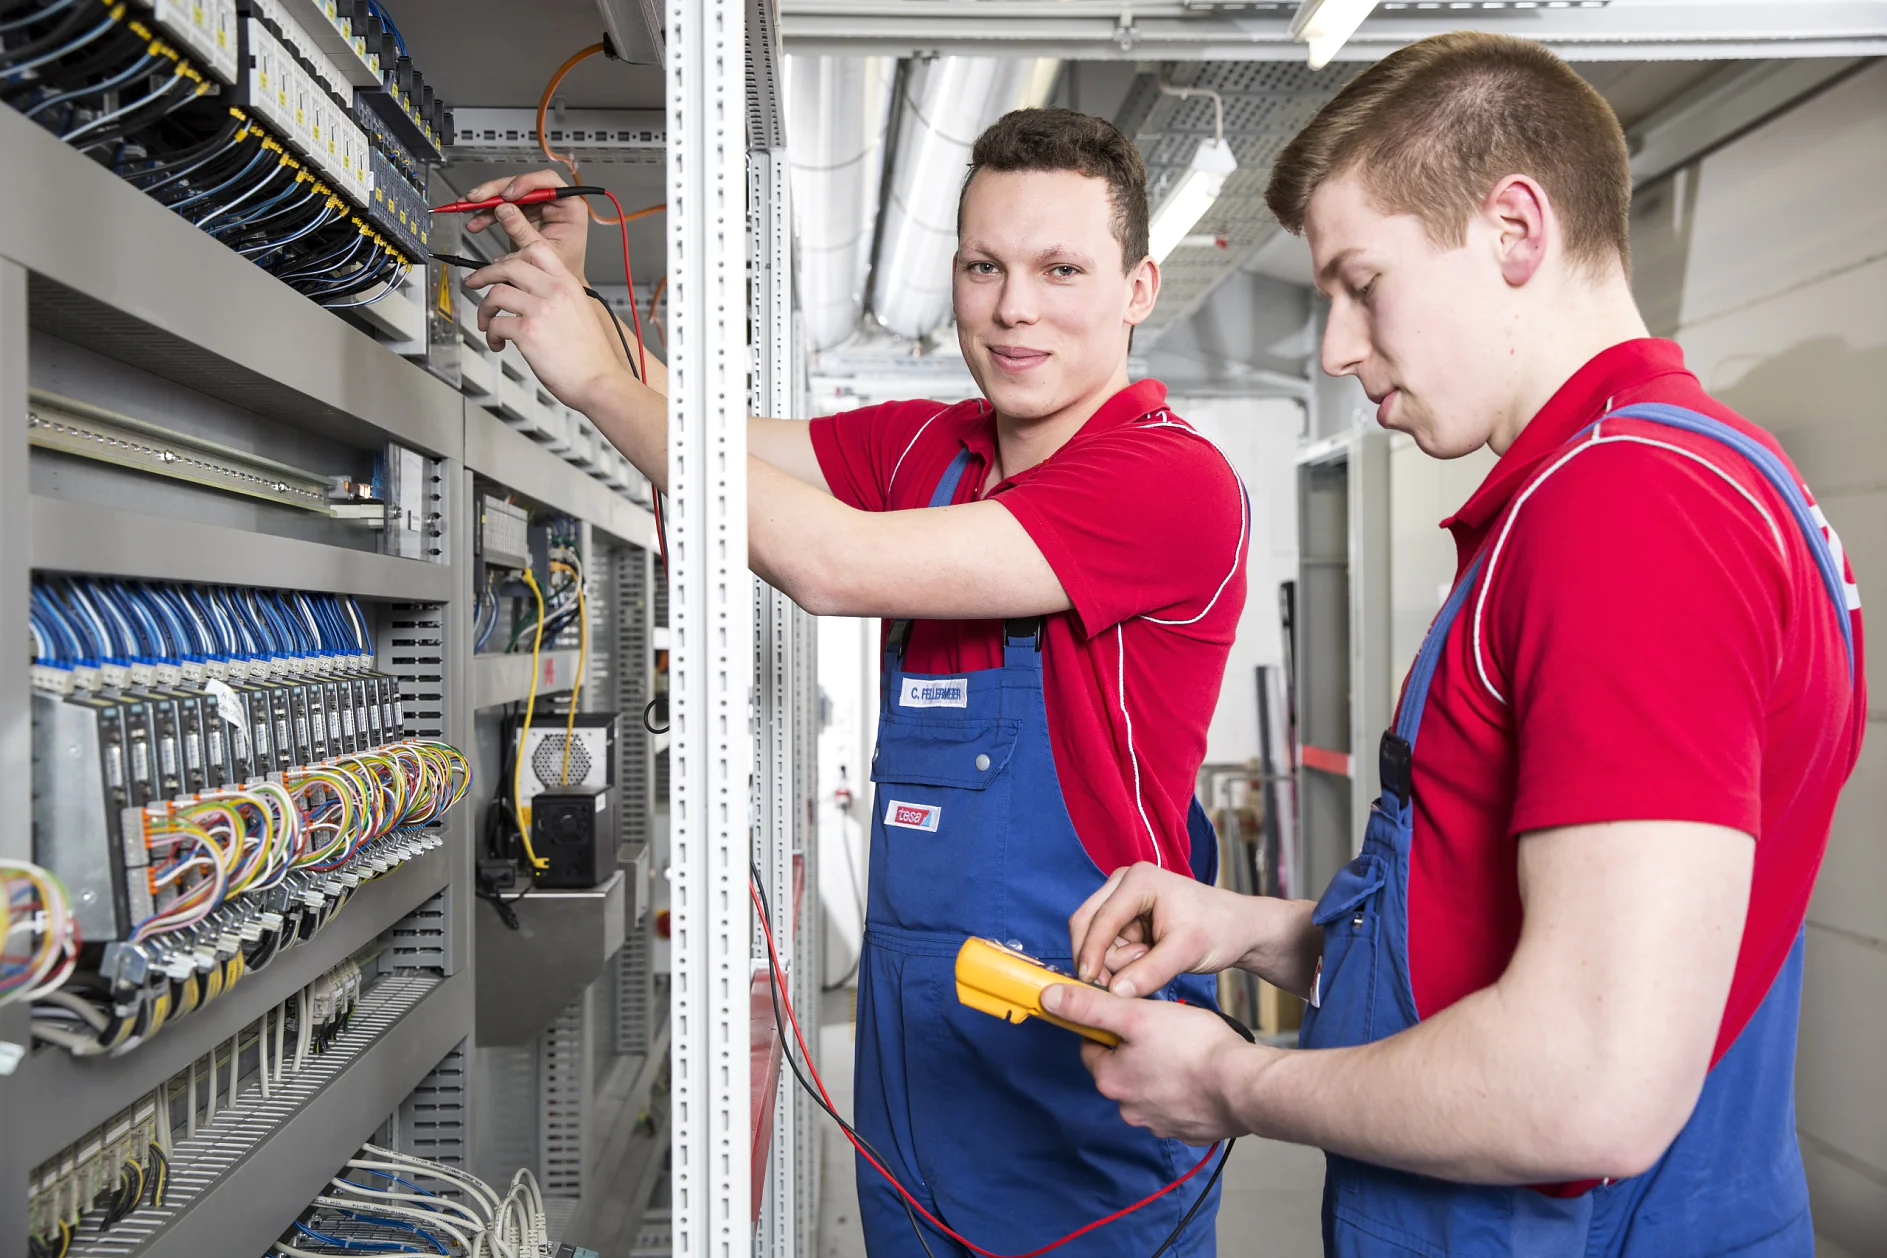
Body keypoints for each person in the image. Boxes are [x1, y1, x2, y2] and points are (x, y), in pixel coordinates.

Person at [1044, 30, 1866, 1258]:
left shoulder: (1629, 517)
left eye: (1361, 283)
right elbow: (1510, 929)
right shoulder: (1698, 478)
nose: (1332, 344)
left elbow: (1592, 1083)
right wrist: (1254, 927)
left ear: (1515, 231)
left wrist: (1229, 1083)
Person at [460, 108, 1249, 1256]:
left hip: (1086, 1107)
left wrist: (594, 383)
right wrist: (589, 320)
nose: (1014, 306)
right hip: (917, 1095)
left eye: (1060, 269)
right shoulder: (933, 448)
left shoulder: (1168, 481)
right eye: (985, 265)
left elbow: (832, 565)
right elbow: (717, 435)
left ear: (1137, 288)